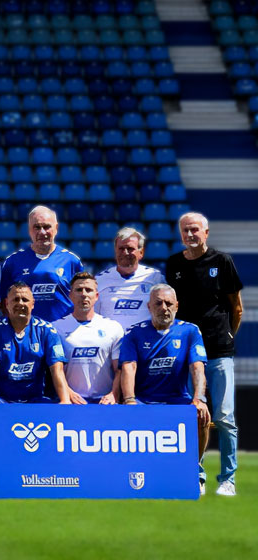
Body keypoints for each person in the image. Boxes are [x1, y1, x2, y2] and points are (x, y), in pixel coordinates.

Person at [165, 212, 243, 496]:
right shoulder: (173, 264)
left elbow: (236, 307)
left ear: (206, 232)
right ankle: (194, 474)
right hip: (186, 355)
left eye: (195, 229)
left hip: (219, 351)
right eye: (185, 230)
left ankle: (228, 479)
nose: (190, 234)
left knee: (224, 416)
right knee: (191, 416)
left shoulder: (222, 261)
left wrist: (227, 336)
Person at [119, 284, 213, 494]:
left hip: (177, 398)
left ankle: (195, 471)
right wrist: (129, 400)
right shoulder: (134, 333)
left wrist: (199, 398)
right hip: (144, 399)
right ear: (149, 306)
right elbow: (128, 367)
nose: (164, 308)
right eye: (158, 303)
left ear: (177, 306)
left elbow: (197, 366)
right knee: (125, 416)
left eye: (169, 303)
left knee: (201, 414)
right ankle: (135, 473)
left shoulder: (190, 331)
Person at [0, 282, 72, 404]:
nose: (20, 303)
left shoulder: (47, 330)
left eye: (25, 299)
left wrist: (65, 400)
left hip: (35, 400)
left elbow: (57, 369)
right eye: (16, 299)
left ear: (33, 304)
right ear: (7, 303)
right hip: (1, 400)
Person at [0, 205, 84, 323]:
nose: (42, 232)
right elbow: (4, 303)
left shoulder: (71, 261)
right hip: (27, 334)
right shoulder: (13, 262)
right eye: (37, 227)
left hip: (63, 334)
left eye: (47, 227)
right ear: (29, 230)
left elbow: (82, 298)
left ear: (56, 228)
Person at [53, 272, 125, 405]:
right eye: (79, 290)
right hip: (72, 402)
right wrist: (68, 393)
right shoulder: (56, 328)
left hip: (104, 404)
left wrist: (113, 394)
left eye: (89, 290)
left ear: (96, 296)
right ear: (70, 295)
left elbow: (119, 369)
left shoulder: (113, 327)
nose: (84, 294)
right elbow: (56, 370)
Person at [95, 227, 165, 330]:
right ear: (115, 251)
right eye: (121, 249)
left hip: (145, 342)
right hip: (112, 343)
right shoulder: (99, 280)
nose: (125, 252)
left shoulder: (155, 278)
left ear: (141, 252)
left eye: (130, 248)